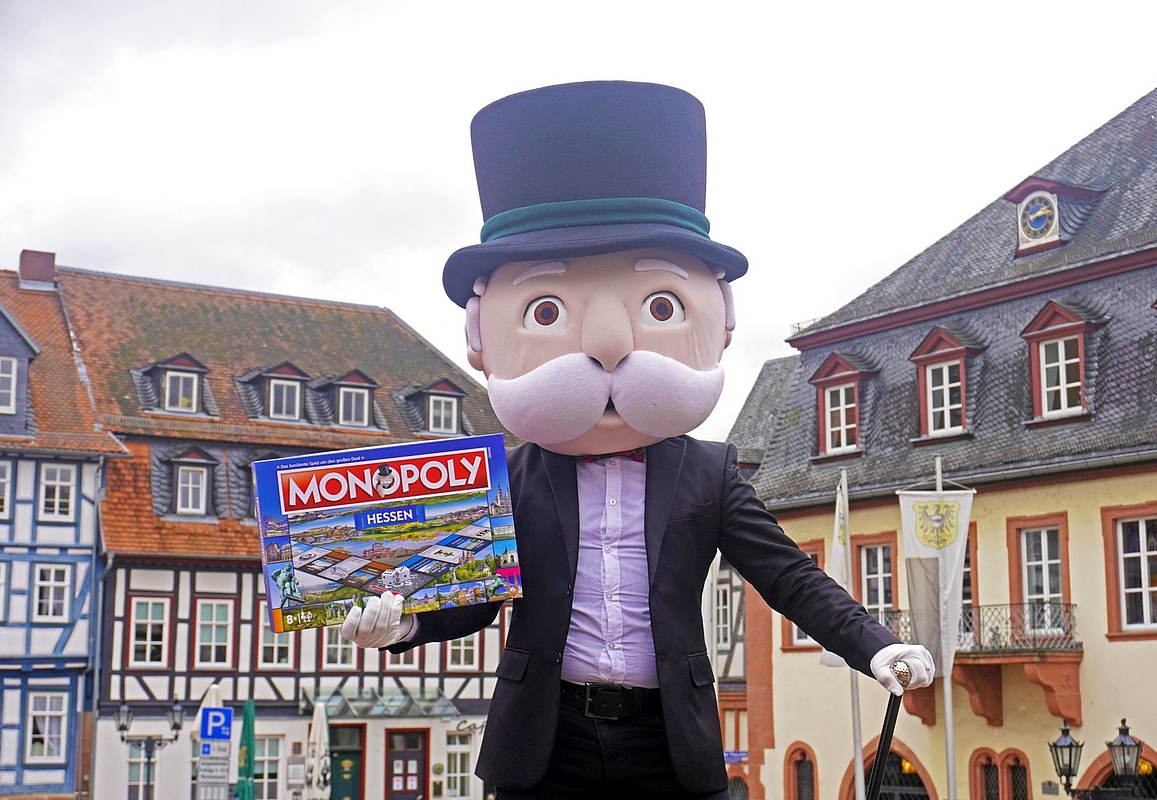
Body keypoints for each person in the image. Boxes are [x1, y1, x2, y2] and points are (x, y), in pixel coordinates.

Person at [342, 80, 934, 799]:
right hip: (547, 737)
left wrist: (876, 646)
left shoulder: (710, 472)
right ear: (479, 332)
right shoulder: (511, 478)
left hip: (668, 738)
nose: (608, 346)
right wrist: (402, 624)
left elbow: (788, 577)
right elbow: (475, 596)